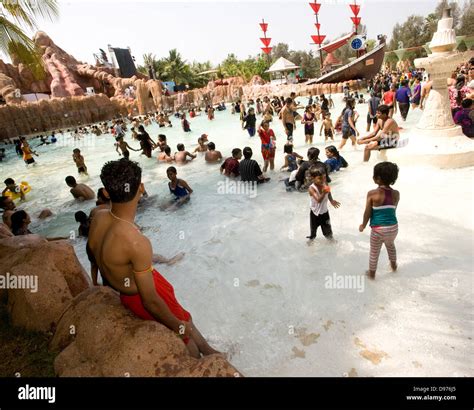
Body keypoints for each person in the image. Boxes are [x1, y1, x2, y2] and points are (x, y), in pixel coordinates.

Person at [86, 160, 219, 358]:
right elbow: (151, 302)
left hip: (128, 288)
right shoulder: (137, 242)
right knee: (185, 334)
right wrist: (178, 326)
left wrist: (105, 283)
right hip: (140, 293)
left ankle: (209, 351)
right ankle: (204, 359)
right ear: (141, 188)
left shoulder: (98, 217)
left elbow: (93, 255)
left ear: (105, 192)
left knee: (185, 321)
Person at [359, 162, 400, 280]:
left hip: (378, 229)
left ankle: (371, 274)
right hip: (393, 228)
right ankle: (394, 266)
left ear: (378, 178)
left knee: (374, 252)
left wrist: (363, 225)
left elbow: (368, 212)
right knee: (391, 246)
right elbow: (393, 210)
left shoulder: (372, 194)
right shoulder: (396, 194)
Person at [306, 167, 340, 242]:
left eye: (324, 178)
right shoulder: (312, 188)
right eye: (320, 178)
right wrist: (323, 192)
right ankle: (310, 242)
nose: (323, 180)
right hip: (315, 213)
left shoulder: (325, 183)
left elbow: (328, 192)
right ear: (313, 178)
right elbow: (318, 200)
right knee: (313, 232)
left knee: (328, 232)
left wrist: (331, 200)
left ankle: (332, 242)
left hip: (324, 212)